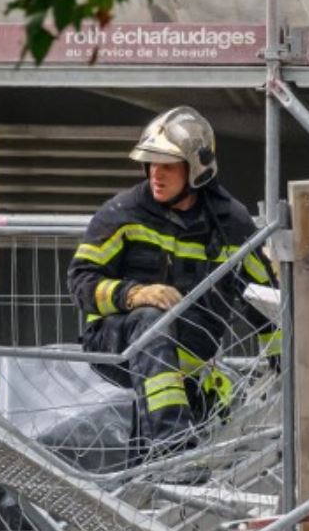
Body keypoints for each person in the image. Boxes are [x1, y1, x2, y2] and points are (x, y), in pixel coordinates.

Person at [67, 107, 281, 463]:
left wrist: (283, 369)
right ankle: (173, 446)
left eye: (167, 165)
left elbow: (265, 299)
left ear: (196, 169)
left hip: (190, 362)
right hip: (117, 343)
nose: (155, 174)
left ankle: (162, 456)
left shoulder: (231, 223)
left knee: (156, 484)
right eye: (150, 164)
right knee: (152, 319)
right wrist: (133, 295)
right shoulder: (122, 213)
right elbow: (81, 280)